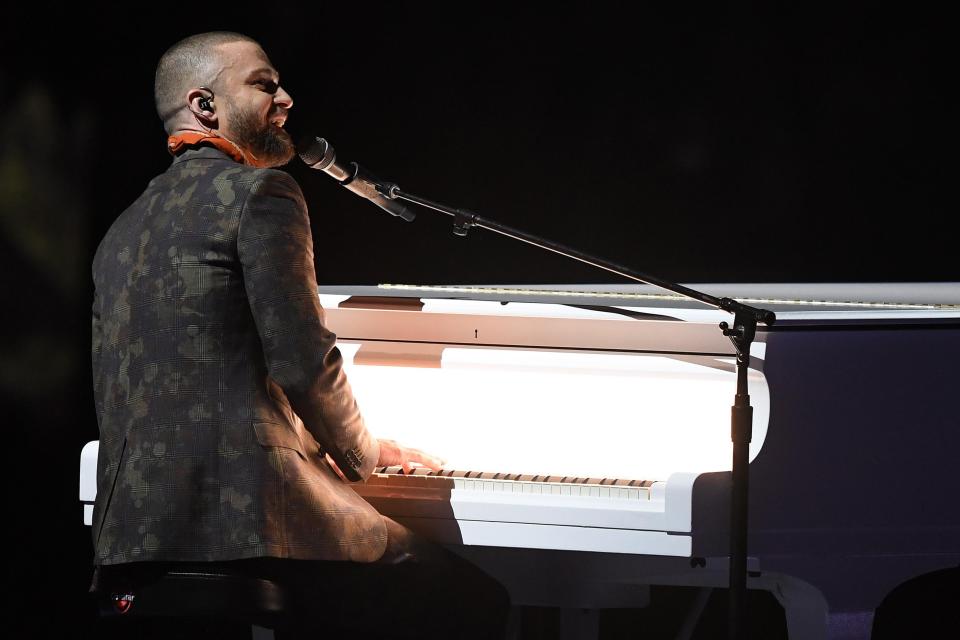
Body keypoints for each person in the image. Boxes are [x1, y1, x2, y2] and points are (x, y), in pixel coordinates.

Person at [90, 31, 509, 638]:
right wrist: (364, 456)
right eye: (264, 84)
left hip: (130, 534)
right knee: (468, 602)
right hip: (250, 520)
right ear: (204, 105)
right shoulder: (262, 193)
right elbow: (302, 362)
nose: (286, 99)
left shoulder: (123, 227)